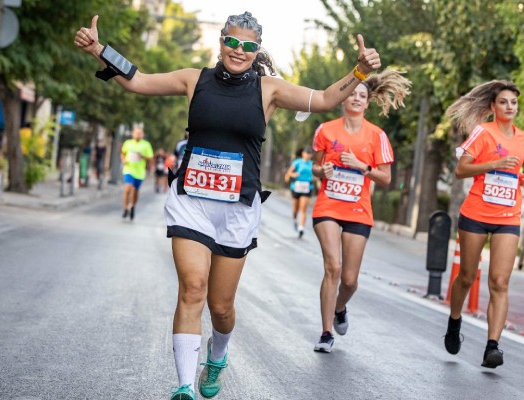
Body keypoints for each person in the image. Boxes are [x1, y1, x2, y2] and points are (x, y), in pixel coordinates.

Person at [75, 11, 383, 400]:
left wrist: (358, 72)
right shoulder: (194, 79)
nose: (239, 51)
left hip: (237, 208)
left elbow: (322, 99)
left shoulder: (268, 89)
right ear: (221, 42)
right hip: (192, 201)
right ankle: (184, 385)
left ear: (257, 51)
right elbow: (137, 81)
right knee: (192, 288)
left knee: (221, 307)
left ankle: (217, 355)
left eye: (249, 46)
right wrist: (98, 51)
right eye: (232, 42)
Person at [310, 70, 411, 353]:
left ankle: (340, 307)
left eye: (361, 95)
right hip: (328, 205)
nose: (356, 98)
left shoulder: (376, 136)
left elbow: (386, 178)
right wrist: (323, 170)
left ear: (368, 103)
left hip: (358, 209)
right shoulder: (326, 131)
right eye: (351, 93)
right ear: (343, 99)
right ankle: (326, 332)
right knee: (334, 267)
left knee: (350, 281)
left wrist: (361, 166)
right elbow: (315, 167)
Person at [443, 80, 524, 368]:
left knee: (500, 281)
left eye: (514, 103)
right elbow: (461, 170)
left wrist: (521, 179)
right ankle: (455, 321)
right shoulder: (483, 132)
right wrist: (493, 164)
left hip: (508, 215)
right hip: (477, 214)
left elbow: (511, 171)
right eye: (504, 102)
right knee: (467, 276)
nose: (510, 107)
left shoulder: (523, 139)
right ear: (492, 107)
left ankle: (493, 347)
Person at [120, 126, 154, 220]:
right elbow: (122, 153)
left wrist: (142, 156)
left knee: (135, 191)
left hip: (139, 172)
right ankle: (125, 208)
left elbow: (150, 157)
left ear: (142, 135)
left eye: (139, 133)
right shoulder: (128, 143)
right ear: (133, 133)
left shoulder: (146, 145)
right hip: (128, 169)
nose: (137, 135)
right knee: (128, 188)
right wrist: (123, 160)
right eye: (136, 133)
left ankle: (132, 206)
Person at [284, 146, 314, 238]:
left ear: (311, 155)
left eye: (309, 154)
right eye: (306, 153)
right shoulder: (297, 162)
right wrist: (293, 174)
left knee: (303, 208)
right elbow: (289, 173)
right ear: (302, 154)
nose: (307, 156)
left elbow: (317, 176)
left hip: (307, 187)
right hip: (296, 187)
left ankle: (301, 228)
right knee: (295, 209)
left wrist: (315, 178)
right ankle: (294, 219)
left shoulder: (312, 164)